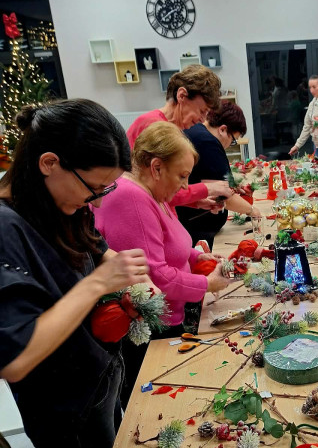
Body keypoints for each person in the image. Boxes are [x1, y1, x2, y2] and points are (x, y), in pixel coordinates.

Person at [0, 99, 148, 448]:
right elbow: (15, 358)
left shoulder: (59, 203)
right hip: (66, 411)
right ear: (49, 162)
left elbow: (97, 251)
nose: (97, 203)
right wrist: (99, 284)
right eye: (93, 188)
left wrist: (126, 272)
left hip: (98, 379)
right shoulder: (6, 228)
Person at [94, 122, 230, 401]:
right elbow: (156, 276)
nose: (184, 186)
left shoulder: (154, 193)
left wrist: (197, 255)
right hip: (150, 335)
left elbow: (171, 244)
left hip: (168, 321)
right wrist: (207, 283)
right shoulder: (130, 197)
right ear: (156, 167)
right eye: (182, 176)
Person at [126, 65, 232, 209]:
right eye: (202, 111)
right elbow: (158, 188)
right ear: (181, 95)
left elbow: (164, 194)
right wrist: (208, 188)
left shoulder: (170, 128)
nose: (203, 119)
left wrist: (196, 202)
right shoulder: (153, 125)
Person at [177, 103, 262, 249]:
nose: (230, 144)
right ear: (223, 129)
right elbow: (222, 196)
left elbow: (210, 178)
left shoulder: (198, 131)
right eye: (233, 139)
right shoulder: (208, 143)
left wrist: (231, 186)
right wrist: (252, 211)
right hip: (196, 228)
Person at [289, 74, 318, 163]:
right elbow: (307, 126)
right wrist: (297, 145)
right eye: (310, 87)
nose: (311, 90)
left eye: (314, 87)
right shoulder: (312, 103)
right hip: (317, 146)